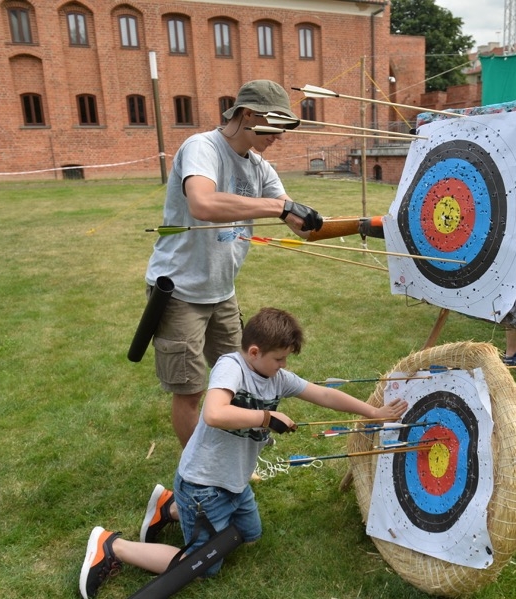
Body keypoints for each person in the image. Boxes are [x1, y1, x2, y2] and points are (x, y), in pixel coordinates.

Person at [79, 308, 408, 599]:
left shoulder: (275, 376)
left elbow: (322, 394)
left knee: (250, 536)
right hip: (204, 485)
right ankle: (112, 546)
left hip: (233, 484)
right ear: (254, 351)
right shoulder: (231, 367)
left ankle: (169, 508)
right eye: (279, 358)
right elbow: (214, 413)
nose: (283, 366)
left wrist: (374, 413)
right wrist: (266, 417)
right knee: (204, 565)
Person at [144, 80, 325, 447]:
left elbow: (298, 223)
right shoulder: (202, 147)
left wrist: (364, 225)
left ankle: (231, 457)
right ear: (246, 115)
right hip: (179, 290)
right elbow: (203, 204)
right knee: (191, 391)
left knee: (238, 378)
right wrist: (279, 207)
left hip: (221, 292)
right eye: (273, 126)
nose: (279, 136)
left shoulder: (260, 167)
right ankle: (198, 475)